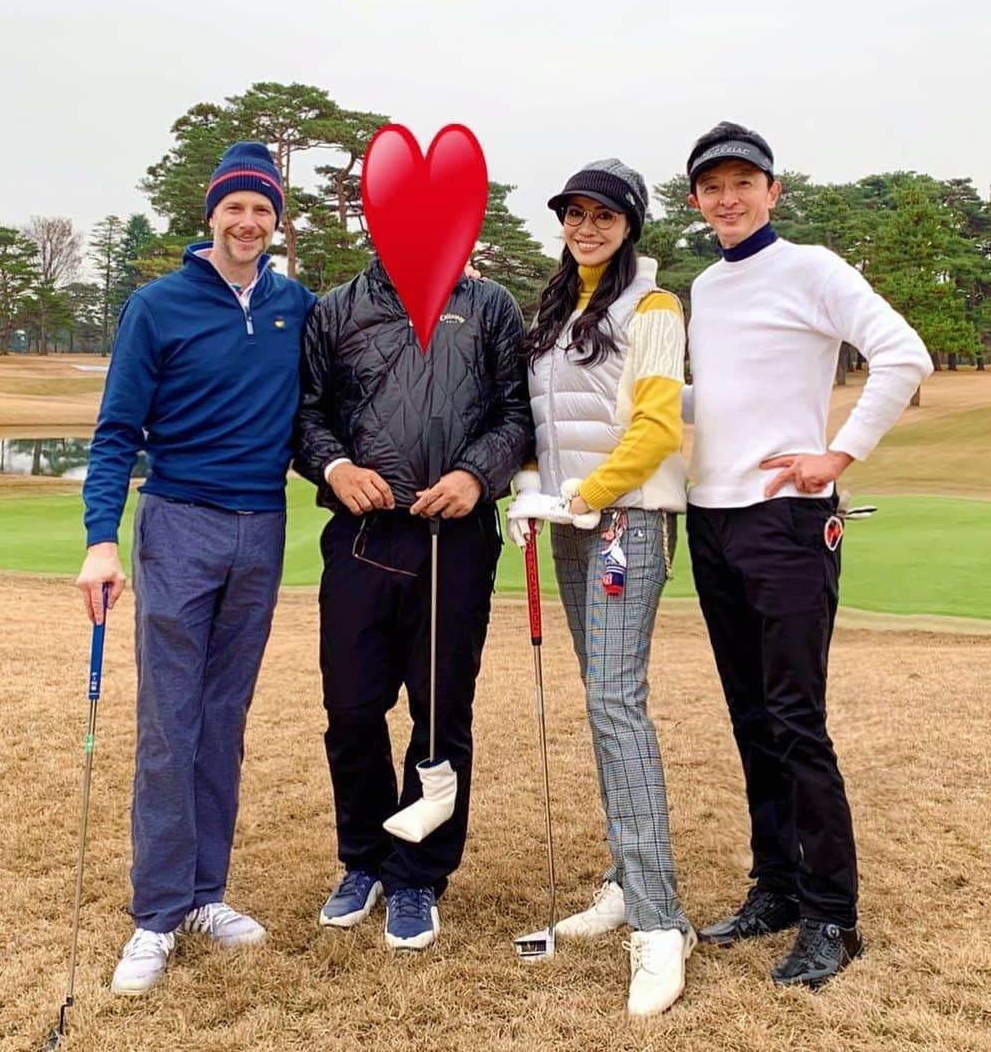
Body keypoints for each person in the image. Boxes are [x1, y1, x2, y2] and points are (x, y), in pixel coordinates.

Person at [682, 121, 934, 988]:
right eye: (712, 186)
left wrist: (838, 453)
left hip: (785, 522)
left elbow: (904, 354)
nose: (728, 197)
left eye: (743, 183)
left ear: (772, 191)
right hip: (709, 521)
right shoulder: (705, 287)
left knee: (795, 722)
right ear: (696, 201)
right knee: (751, 719)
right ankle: (777, 887)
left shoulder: (814, 266)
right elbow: (715, 395)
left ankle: (831, 914)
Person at [75, 141, 317, 996]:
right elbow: (114, 436)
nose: (248, 222)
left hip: (263, 529)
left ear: (276, 221)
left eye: (263, 210)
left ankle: (205, 892)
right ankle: (156, 912)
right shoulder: (158, 304)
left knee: (224, 718)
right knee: (171, 721)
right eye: (235, 208)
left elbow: (320, 419)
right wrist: (102, 539)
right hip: (179, 522)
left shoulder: (298, 306)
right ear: (211, 214)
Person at [294, 252, 532, 951]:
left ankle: (417, 874)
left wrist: (475, 474)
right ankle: (364, 859)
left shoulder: (488, 305)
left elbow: (515, 415)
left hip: (454, 535)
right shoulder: (336, 308)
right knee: (353, 708)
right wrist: (336, 467)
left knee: (441, 713)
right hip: (365, 534)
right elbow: (307, 414)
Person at [506, 159, 694, 1018]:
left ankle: (661, 925)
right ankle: (625, 877)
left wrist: (580, 498)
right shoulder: (556, 305)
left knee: (617, 704)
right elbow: (544, 420)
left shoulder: (654, 308)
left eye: (603, 216)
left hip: (626, 526)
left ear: (630, 226)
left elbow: (655, 427)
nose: (586, 227)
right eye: (574, 214)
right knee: (600, 699)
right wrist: (530, 491)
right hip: (571, 525)